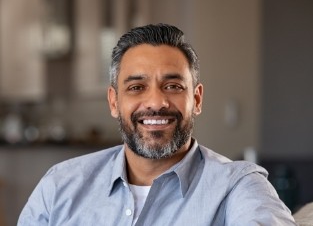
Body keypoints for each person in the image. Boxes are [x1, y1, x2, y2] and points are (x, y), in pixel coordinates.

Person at [17, 23, 296, 225]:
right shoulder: (60, 184)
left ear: (196, 99)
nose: (156, 102)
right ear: (114, 102)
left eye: (173, 85)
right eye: (137, 87)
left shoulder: (238, 186)